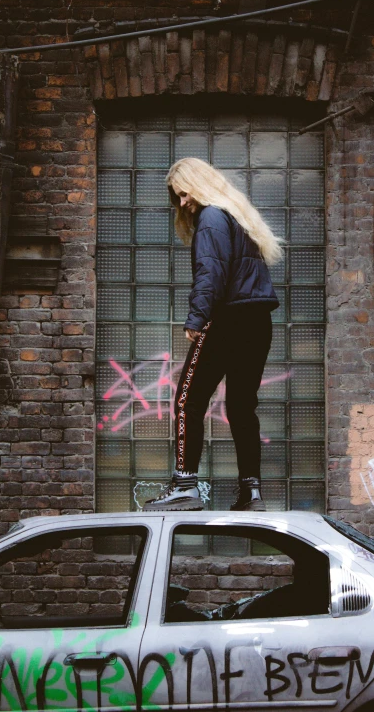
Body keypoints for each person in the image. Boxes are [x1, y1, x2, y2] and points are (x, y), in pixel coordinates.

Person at [143, 157, 283, 512]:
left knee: (188, 400)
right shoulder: (238, 216)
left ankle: (185, 485)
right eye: (178, 198)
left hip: (227, 320)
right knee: (241, 407)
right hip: (257, 321)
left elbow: (211, 272)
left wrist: (196, 318)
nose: (183, 203)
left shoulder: (211, 218)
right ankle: (251, 493)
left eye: (184, 194)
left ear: (199, 186)